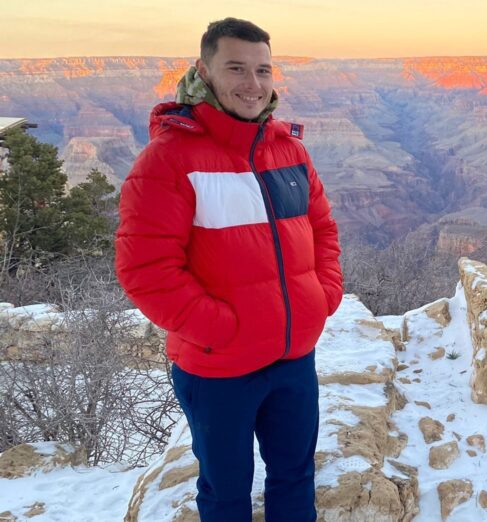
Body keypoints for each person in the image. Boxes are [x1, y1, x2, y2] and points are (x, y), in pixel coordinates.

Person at [115, 17, 342, 521]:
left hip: (293, 357)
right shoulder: (169, 160)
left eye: (262, 70)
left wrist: (323, 297)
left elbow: (323, 231)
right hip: (219, 368)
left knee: (295, 478)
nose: (253, 84)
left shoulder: (289, 151)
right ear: (204, 70)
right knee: (226, 492)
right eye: (236, 68)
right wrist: (220, 328)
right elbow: (145, 270)